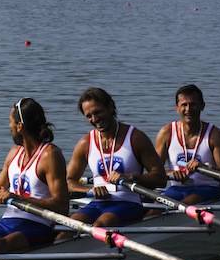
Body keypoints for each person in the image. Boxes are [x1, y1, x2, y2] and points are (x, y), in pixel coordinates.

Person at [0, 98, 68, 255]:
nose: (9, 127)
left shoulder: (50, 155)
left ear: (20, 126)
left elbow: (62, 206)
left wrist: (16, 198)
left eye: (10, 122)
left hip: (38, 225)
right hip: (7, 222)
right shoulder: (13, 153)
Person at [65, 87, 166, 228]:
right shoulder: (85, 143)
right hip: (97, 203)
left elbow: (160, 178)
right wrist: (89, 190)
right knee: (69, 225)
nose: (94, 119)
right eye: (89, 116)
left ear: (110, 107)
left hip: (128, 203)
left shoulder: (136, 138)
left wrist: (130, 177)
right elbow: (69, 182)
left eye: (97, 112)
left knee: (101, 224)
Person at [155, 84, 220, 204]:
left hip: (208, 189)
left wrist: (206, 168)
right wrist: (171, 173)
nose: (188, 109)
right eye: (184, 105)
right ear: (177, 108)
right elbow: (154, 172)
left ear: (202, 106)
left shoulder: (215, 135)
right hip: (177, 189)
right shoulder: (166, 133)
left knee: (189, 201)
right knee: (153, 210)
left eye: (193, 104)